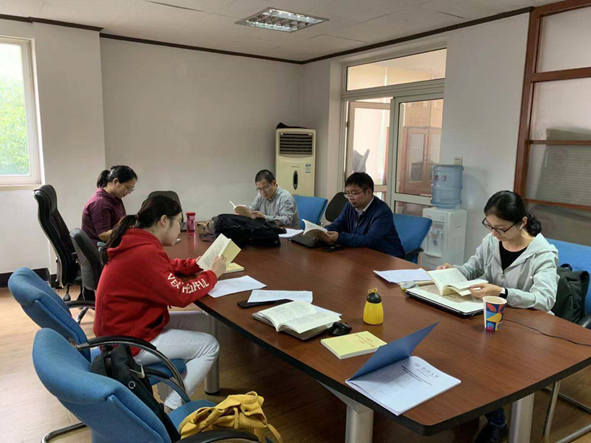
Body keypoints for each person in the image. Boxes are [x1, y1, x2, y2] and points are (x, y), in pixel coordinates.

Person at [437, 190, 558, 443]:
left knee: (485, 361)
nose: (493, 233)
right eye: (489, 226)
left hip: (528, 328)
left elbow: (544, 299)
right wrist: (453, 271)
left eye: (500, 229)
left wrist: (502, 292)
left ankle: (497, 421)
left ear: (522, 222)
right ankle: (472, 405)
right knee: (455, 343)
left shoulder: (543, 253)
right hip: (492, 317)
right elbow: (473, 268)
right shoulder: (491, 241)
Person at [94, 195, 227, 410]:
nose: (180, 229)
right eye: (179, 223)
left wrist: (199, 264)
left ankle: (170, 388)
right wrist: (212, 274)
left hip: (125, 328)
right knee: (209, 346)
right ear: (164, 221)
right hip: (127, 343)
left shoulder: (137, 241)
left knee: (207, 323)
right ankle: (172, 407)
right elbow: (180, 294)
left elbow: (166, 266)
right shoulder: (145, 252)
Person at [319, 172, 404, 258]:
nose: (350, 197)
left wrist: (339, 238)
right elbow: (338, 224)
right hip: (362, 253)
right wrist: (323, 232)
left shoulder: (382, 211)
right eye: (348, 193)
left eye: (354, 193)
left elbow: (370, 240)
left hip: (387, 257)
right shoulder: (349, 206)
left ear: (369, 192)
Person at [82, 165, 138, 245]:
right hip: (102, 248)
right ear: (116, 181)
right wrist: (130, 231)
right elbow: (103, 235)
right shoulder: (100, 203)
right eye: (128, 188)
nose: (129, 192)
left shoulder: (115, 199)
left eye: (131, 189)